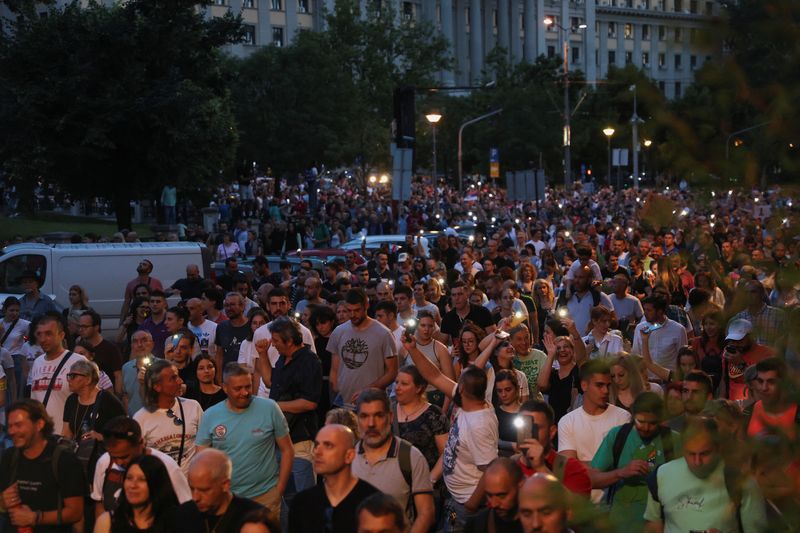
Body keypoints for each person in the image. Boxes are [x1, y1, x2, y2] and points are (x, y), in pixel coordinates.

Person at [402, 333, 498, 533]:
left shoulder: (479, 424)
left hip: (466, 505)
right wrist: (413, 349)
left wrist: (471, 504)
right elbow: (434, 376)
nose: (453, 382)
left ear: (461, 390)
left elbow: (490, 469)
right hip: (454, 497)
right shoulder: (470, 402)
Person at [195, 363, 294, 524]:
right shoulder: (210, 416)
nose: (245, 392)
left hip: (265, 496)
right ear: (225, 388)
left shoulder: (269, 408)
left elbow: (287, 450)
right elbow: (202, 458)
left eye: (248, 386)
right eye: (238, 388)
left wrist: (279, 489)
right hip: (227, 500)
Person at [643, 417, 766, 533]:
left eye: (704, 454)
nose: (697, 462)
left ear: (718, 448)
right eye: (691, 454)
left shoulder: (741, 482)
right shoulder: (661, 476)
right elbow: (653, 527)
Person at [256, 316, 323, 516]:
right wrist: (263, 354)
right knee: (282, 499)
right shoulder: (282, 358)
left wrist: (275, 406)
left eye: (276, 341)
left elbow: (310, 402)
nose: (273, 345)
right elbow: (269, 382)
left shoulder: (309, 361)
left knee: (305, 499)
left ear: (290, 340)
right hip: (279, 439)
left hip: (300, 441)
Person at [589, 392, 681, 532]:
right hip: (619, 524)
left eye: (652, 423)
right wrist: (621, 472)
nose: (646, 428)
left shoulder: (673, 440)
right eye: (640, 422)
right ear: (632, 415)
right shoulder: (618, 435)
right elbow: (592, 479)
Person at [350, 388, 434, 533]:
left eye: (378, 415)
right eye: (364, 416)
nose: (371, 423)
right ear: (357, 419)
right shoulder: (347, 458)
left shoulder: (411, 457)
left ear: (390, 417)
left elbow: (426, 513)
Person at [0, 399, 86, 531]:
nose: (12, 431)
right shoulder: (8, 457)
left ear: (39, 424)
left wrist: (36, 517)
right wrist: (3, 503)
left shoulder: (64, 460)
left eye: (18, 425)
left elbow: (75, 512)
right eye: (10, 426)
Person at [558, 359, 630, 502]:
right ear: (584, 385)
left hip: (614, 503)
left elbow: (626, 463)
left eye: (608, 385)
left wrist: (583, 464)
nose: (605, 391)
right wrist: (610, 468)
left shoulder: (623, 418)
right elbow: (568, 469)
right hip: (582, 503)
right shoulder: (567, 422)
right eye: (599, 385)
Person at [91, 416, 192, 515]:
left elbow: (186, 509)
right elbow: (100, 503)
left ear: (141, 443)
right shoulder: (104, 462)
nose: (118, 463)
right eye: (113, 457)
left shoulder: (167, 467)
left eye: (124, 457)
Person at [288, 424, 379, 533]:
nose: (317, 451)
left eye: (328, 445)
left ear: (349, 455)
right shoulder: (302, 503)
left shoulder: (373, 502)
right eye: (316, 445)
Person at [329, 288, 398, 409]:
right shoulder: (338, 332)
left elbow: (392, 372)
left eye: (357, 310)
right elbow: (335, 368)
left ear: (366, 306)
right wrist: (335, 388)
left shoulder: (384, 333)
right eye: (349, 310)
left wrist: (369, 389)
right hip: (342, 402)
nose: (352, 315)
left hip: (372, 403)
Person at [134, 359, 204, 475]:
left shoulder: (193, 407)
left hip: (190, 487)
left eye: (178, 377)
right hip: (160, 487)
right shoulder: (141, 418)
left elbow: (204, 445)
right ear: (157, 387)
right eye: (173, 378)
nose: (180, 381)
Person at [513, 399, 591, 496]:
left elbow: (578, 507)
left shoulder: (571, 468)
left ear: (552, 432)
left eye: (536, 428)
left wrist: (541, 468)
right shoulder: (509, 467)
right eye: (525, 427)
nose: (530, 433)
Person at [176, 448, 264, 533]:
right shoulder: (183, 515)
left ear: (225, 485)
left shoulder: (254, 519)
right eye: (192, 488)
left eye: (204, 490)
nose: (195, 498)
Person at [28, 313, 88, 435]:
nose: (43, 339)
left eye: (48, 334)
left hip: (68, 440)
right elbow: (34, 403)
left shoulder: (78, 362)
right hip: (43, 439)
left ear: (61, 335)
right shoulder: (37, 362)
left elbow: (91, 400)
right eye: (39, 334)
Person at [62, 359, 125, 476]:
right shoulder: (71, 400)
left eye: (73, 376)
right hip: (78, 462)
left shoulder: (109, 401)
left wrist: (101, 437)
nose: (69, 380)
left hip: (103, 464)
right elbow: (66, 433)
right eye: (69, 375)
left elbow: (125, 435)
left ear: (88, 379)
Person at [94, 454, 180, 532]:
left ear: (156, 484)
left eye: (142, 479)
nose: (133, 485)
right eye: (129, 478)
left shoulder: (176, 523)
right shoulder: (107, 522)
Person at [392, 365, 449, 480]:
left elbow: (445, 453)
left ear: (419, 388)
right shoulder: (387, 411)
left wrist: (429, 481)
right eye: (396, 382)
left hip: (425, 481)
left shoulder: (433, 414)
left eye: (404, 384)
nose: (397, 387)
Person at [537, 323, 585, 423]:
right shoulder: (553, 374)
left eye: (566, 346)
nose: (562, 350)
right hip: (554, 424)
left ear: (572, 350)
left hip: (575, 422)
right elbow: (541, 385)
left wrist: (574, 333)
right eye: (558, 348)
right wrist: (550, 355)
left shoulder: (578, 371)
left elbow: (582, 355)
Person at [631, 295, 688, 377]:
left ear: (660, 311)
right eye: (644, 310)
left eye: (649, 310)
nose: (645, 313)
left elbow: (682, 360)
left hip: (668, 381)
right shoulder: (640, 328)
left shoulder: (678, 330)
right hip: (647, 382)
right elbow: (636, 356)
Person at [720, 318, 775, 402]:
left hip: (755, 404)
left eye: (739, 340)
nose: (735, 344)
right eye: (732, 340)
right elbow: (724, 379)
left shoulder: (767, 354)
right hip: (734, 405)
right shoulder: (729, 351)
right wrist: (721, 402)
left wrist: (740, 363)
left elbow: (763, 384)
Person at [463, 458, 524, 533]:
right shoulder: (476, 525)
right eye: (489, 495)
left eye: (501, 496)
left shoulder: (537, 524)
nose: (494, 504)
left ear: (520, 486)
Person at [745, 357, 798, 439]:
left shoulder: (796, 411)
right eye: (760, 381)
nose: (764, 388)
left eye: (771, 382)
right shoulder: (753, 408)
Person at [77, 308, 123, 395]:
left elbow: (118, 375)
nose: (81, 329)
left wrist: (117, 397)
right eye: (80, 326)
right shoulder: (78, 348)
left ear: (96, 327)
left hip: (106, 395)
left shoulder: (110, 349)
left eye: (85, 326)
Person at [732, 279, 786, 350]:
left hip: (771, 358)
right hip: (748, 359)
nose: (749, 295)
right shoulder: (740, 318)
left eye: (753, 292)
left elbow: (785, 342)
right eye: (746, 293)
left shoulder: (777, 315)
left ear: (762, 294)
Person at [438, 281, 496, 347]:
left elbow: (494, 337)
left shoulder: (482, 312)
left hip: (482, 353)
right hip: (459, 355)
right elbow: (441, 344)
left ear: (467, 294)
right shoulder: (448, 318)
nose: (457, 298)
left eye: (460, 294)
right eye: (454, 295)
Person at [563, 266, 614, 335]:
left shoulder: (600, 297)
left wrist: (599, 321)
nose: (577, 280)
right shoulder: (567, 297)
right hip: (570, 342)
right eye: (575, 277)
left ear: (589, 279)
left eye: (581, 277)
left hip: (591, 342)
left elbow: (614, 321)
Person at [214, 292, 251, 378]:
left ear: (242, 306)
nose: (229, 308)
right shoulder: (221, 327)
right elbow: (219, 355)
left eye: (232, 305)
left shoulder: (252, 326)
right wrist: (219, 379)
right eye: (226, 305)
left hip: (248, 377)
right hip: (228, 378)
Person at [121, 330, 154, 416]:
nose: (139, 345)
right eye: (135, 341)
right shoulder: (126, 368)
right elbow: (126, 396)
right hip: (133, 420)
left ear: (152, 344)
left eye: (144, 340)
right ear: (131, 346)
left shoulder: (162, 366)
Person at [120, 259, 163, 325]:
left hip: (151, 315)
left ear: (149, 270)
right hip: (136, 316)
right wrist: (121, 322)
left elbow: (162, 300)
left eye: (144, 264)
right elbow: (126, 304)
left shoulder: (156, 283)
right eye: (140, 264)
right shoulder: (131, 284)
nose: (141, 265)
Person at [138, 290, 170, 359]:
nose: (155, 304)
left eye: (158, 301)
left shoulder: (170, 322)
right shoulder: (144, 325)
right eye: (152, 301)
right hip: (149, 364)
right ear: (149, 304)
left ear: (164, 304)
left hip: (168, 363)